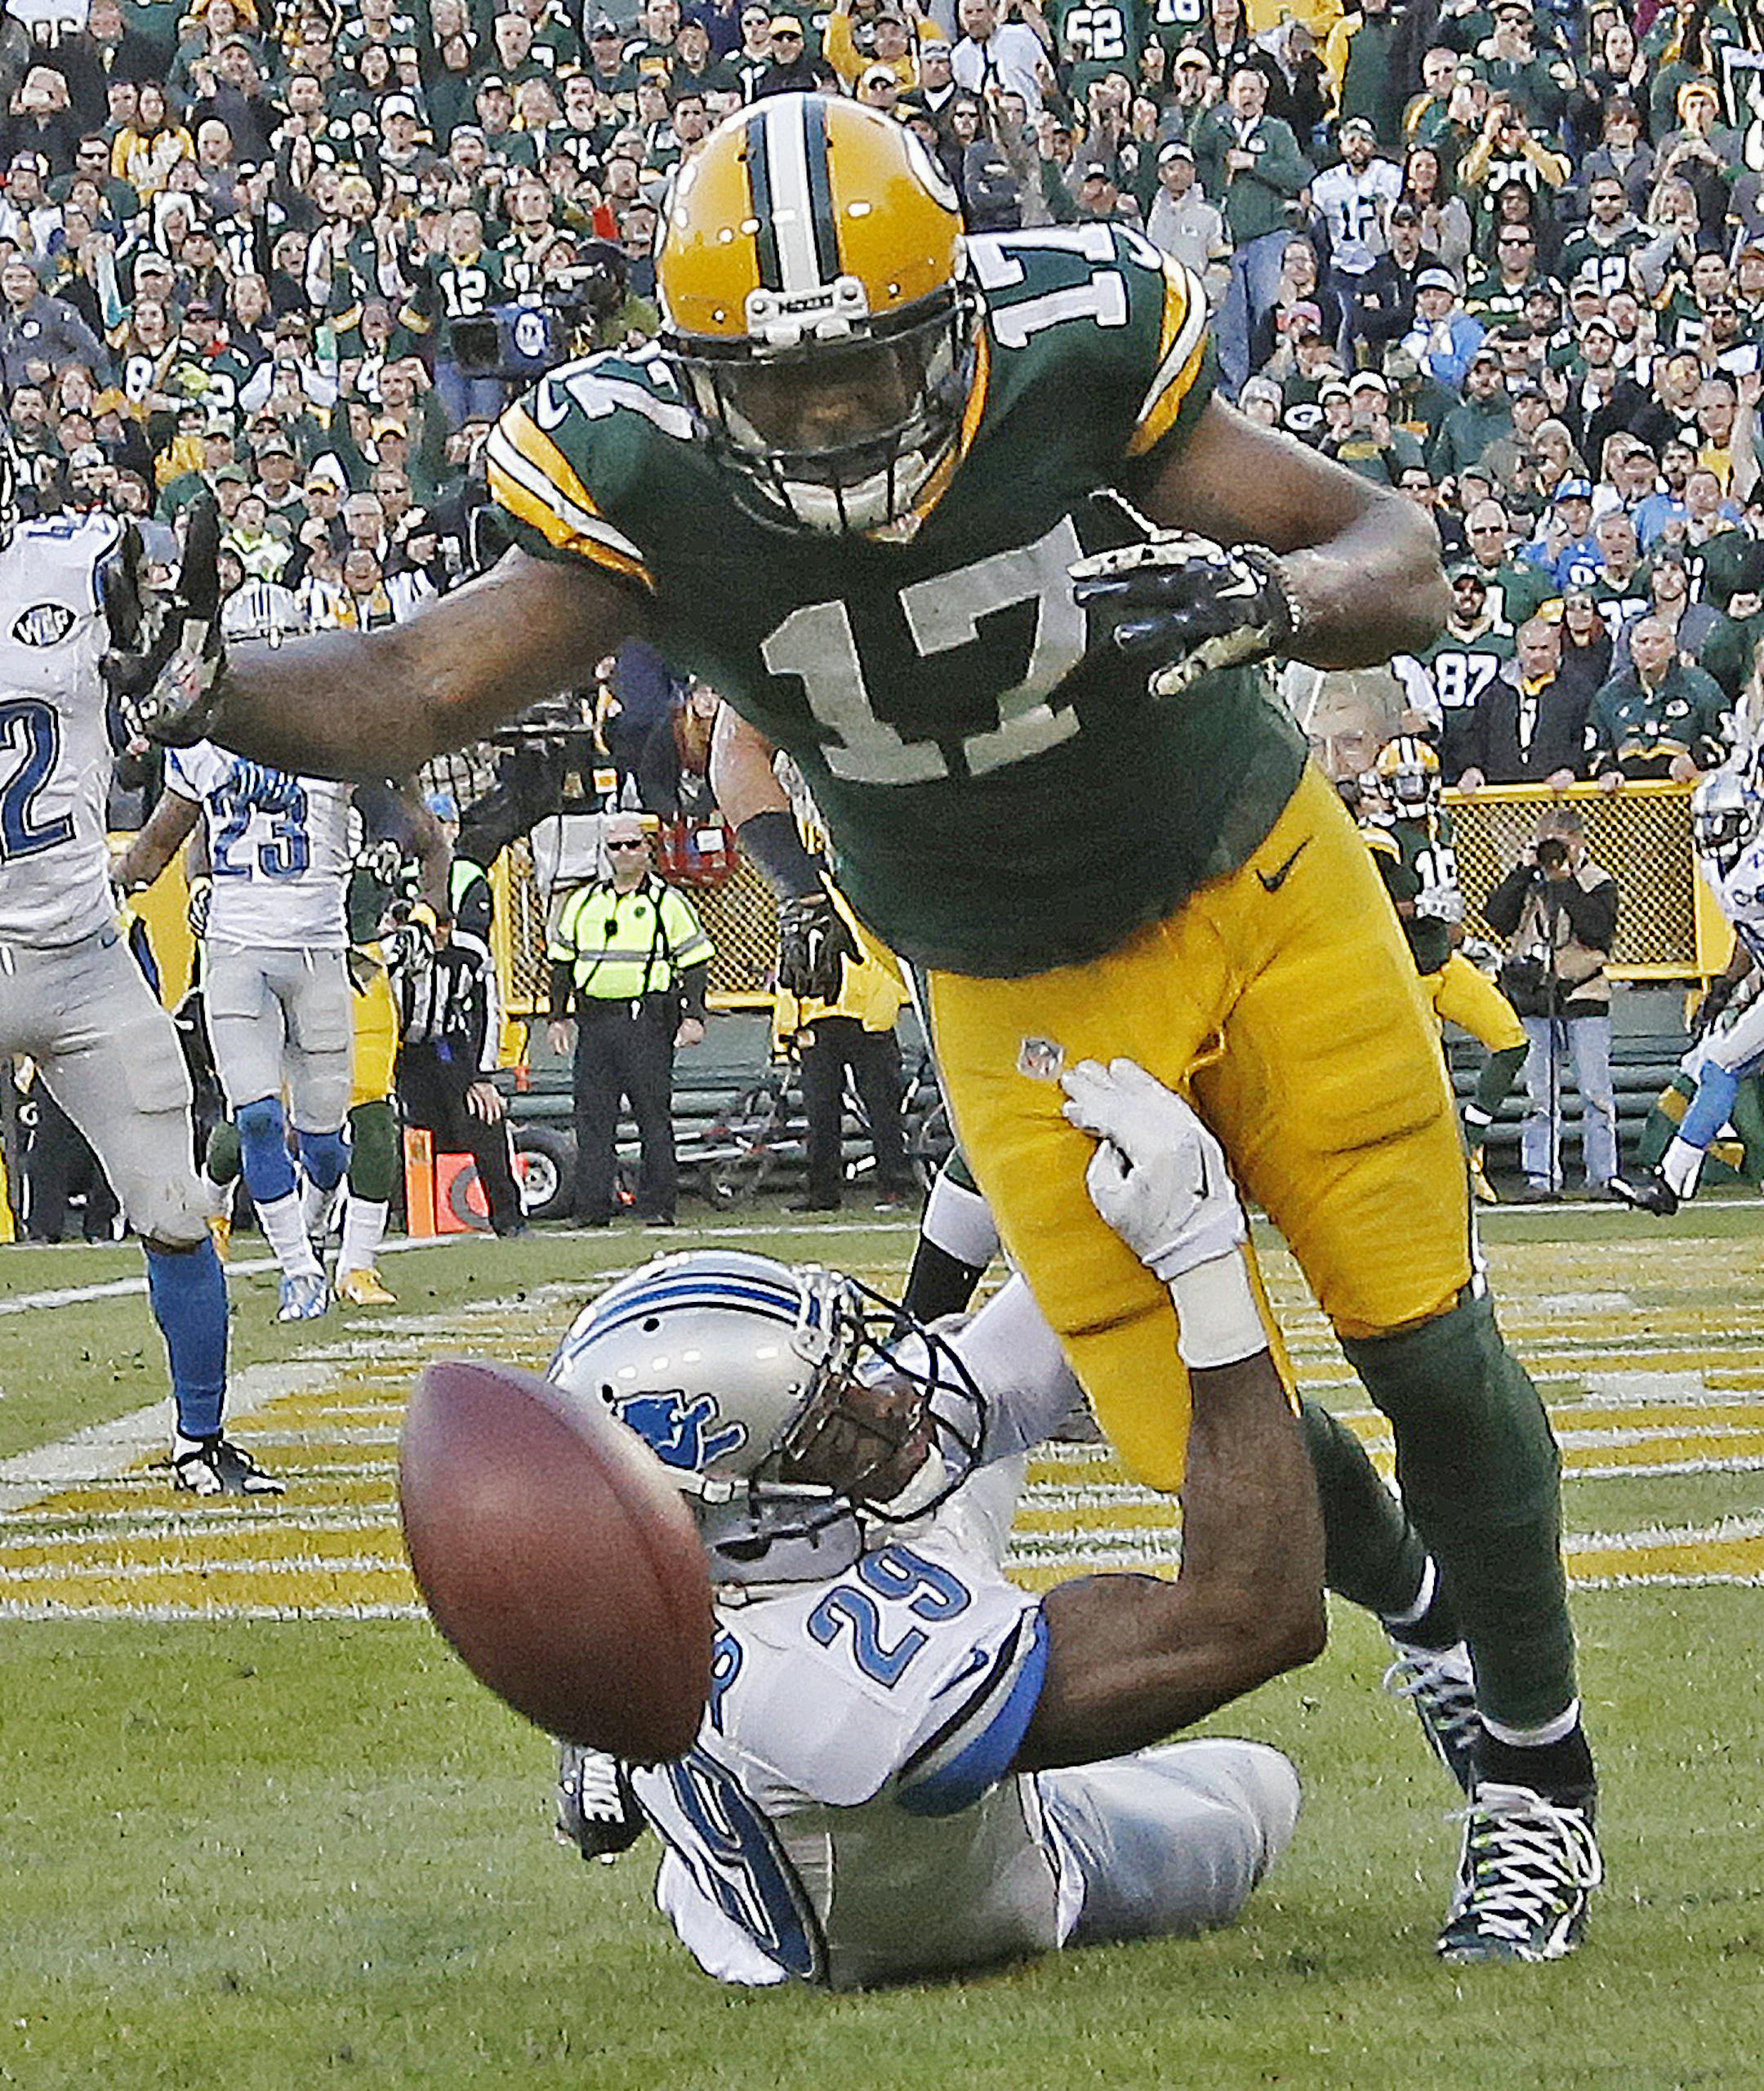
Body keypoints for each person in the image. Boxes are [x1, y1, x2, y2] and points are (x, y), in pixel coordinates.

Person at [123, 96, 1601, 1959]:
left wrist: (1270, 593)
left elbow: (1391, 544)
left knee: (1429, 1351)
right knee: (1197, 1434)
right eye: (779, 391)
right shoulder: (638, 474)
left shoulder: (1072, 343)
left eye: (864, 375)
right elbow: (420, 679)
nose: (827, 425)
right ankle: (1435, 1636)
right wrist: (218, 688)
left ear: (957, 326)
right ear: (692, 376)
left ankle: (1536, 1785)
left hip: (1256, 887)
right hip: (1007, 984)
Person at [545, 1064, 1491, 1986]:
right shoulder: (812, 1682)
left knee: (962, 1407)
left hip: (773, 1693)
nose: (879, 1405)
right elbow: (1255, 1618)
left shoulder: (706, 1532)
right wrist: (1204, 1265)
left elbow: (1001, 1369)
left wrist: (1168, 1152)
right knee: (1261, 1790)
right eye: (832, 1418)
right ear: (738, 1496)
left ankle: (620, 1751)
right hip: (959, 1894)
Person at [0, 466, 276, 1497]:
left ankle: (201, 1442)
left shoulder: (72, 566)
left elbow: (175, 647)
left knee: (171, 1204)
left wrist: (175, 666)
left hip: (80, 957)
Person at [113, 579, 361, 1322]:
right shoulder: (205, 743)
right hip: (238, 951)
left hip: (319, 950)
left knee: (325, 1144)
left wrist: (410, 888)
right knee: (254, 1116)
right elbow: (164, 839)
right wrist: (109, 884)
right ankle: (297, 1269)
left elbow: (413, 824)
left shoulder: (339, 734)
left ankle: (313, 1228)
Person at [1361, 737, 1528, 1206]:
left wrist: (1466, 941)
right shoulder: (1379, 837)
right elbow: (1362, 907)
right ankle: (1432, 1176)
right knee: (1428, 1082)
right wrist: (1417, 907)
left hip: (1443, 962)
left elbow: (1448, 911)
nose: (1414, 790)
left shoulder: (1443, 826)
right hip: (1404, 975)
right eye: (1404, 782)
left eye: (1420, 781)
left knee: (1511, 1040)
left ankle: (1468, 1141)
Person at [546, 812, 713, 1228]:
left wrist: (693, 1016)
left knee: (652, 1116)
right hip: (596, 1023)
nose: (624, 853)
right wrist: (557, 1017)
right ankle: (591, 1208)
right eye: (616, 846)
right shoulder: (584, 902)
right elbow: (563, 962)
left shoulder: (667, 902)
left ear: (647, 850)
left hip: (646, 1022)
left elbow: (694, 962)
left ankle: (657, 1205)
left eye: (632, 845)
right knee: (592, 1118)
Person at [1617, 766, 1764, 1216]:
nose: (1710, 833)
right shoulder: (1719, 868)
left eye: (1719, 822)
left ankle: (1673, 1182)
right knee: (1719, 1064)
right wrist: (1724, 985)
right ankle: (1672, 1181)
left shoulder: (1756, 866)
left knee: (1723, 1064)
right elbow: (1748, 932)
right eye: (1705, 822)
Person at [1482, 808, 1620, 1201]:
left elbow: (1597, 933)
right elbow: (1498, 919)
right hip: (1537, 999)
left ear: (1580, 842)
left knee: (1596, 1094)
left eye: (1563, 842)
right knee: (1541, 1097)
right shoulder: (1529, 882)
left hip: (1584, 994)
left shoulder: (1598, 883)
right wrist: (1526, 872)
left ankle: (1603, 1176)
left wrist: (1565, 881)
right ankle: (1541, 1177)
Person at [395, 909, 526, 1237]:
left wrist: (482, 1076)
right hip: (392, 1045)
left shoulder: (469, 952)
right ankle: (391, 1215)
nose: (437, 934)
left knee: (484, 1117)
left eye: (443, 925)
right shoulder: (392, 950)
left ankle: (508, 1217)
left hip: (444, 1045)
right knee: (385, 1123)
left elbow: (487, 1010)